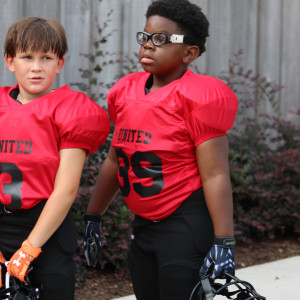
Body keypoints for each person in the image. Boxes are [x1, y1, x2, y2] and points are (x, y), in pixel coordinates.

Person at [84, 0, 238, 299]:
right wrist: (93, 215)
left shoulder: (199, 96)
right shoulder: (125, 91)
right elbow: (117, 160)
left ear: (189, 52)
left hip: (184, 223)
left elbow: (215, 174)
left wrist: (225, 240)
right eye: (145, 37)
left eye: (161, 39)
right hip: (143, 226)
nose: (148, 46)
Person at [0, 17, 110, 300]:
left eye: (46, 57)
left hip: (46, 229)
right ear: (10, 61)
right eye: (27, 57)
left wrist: (29, 249)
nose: (36, 67)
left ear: (60, 63)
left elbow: (66, 190)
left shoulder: (71, 111)